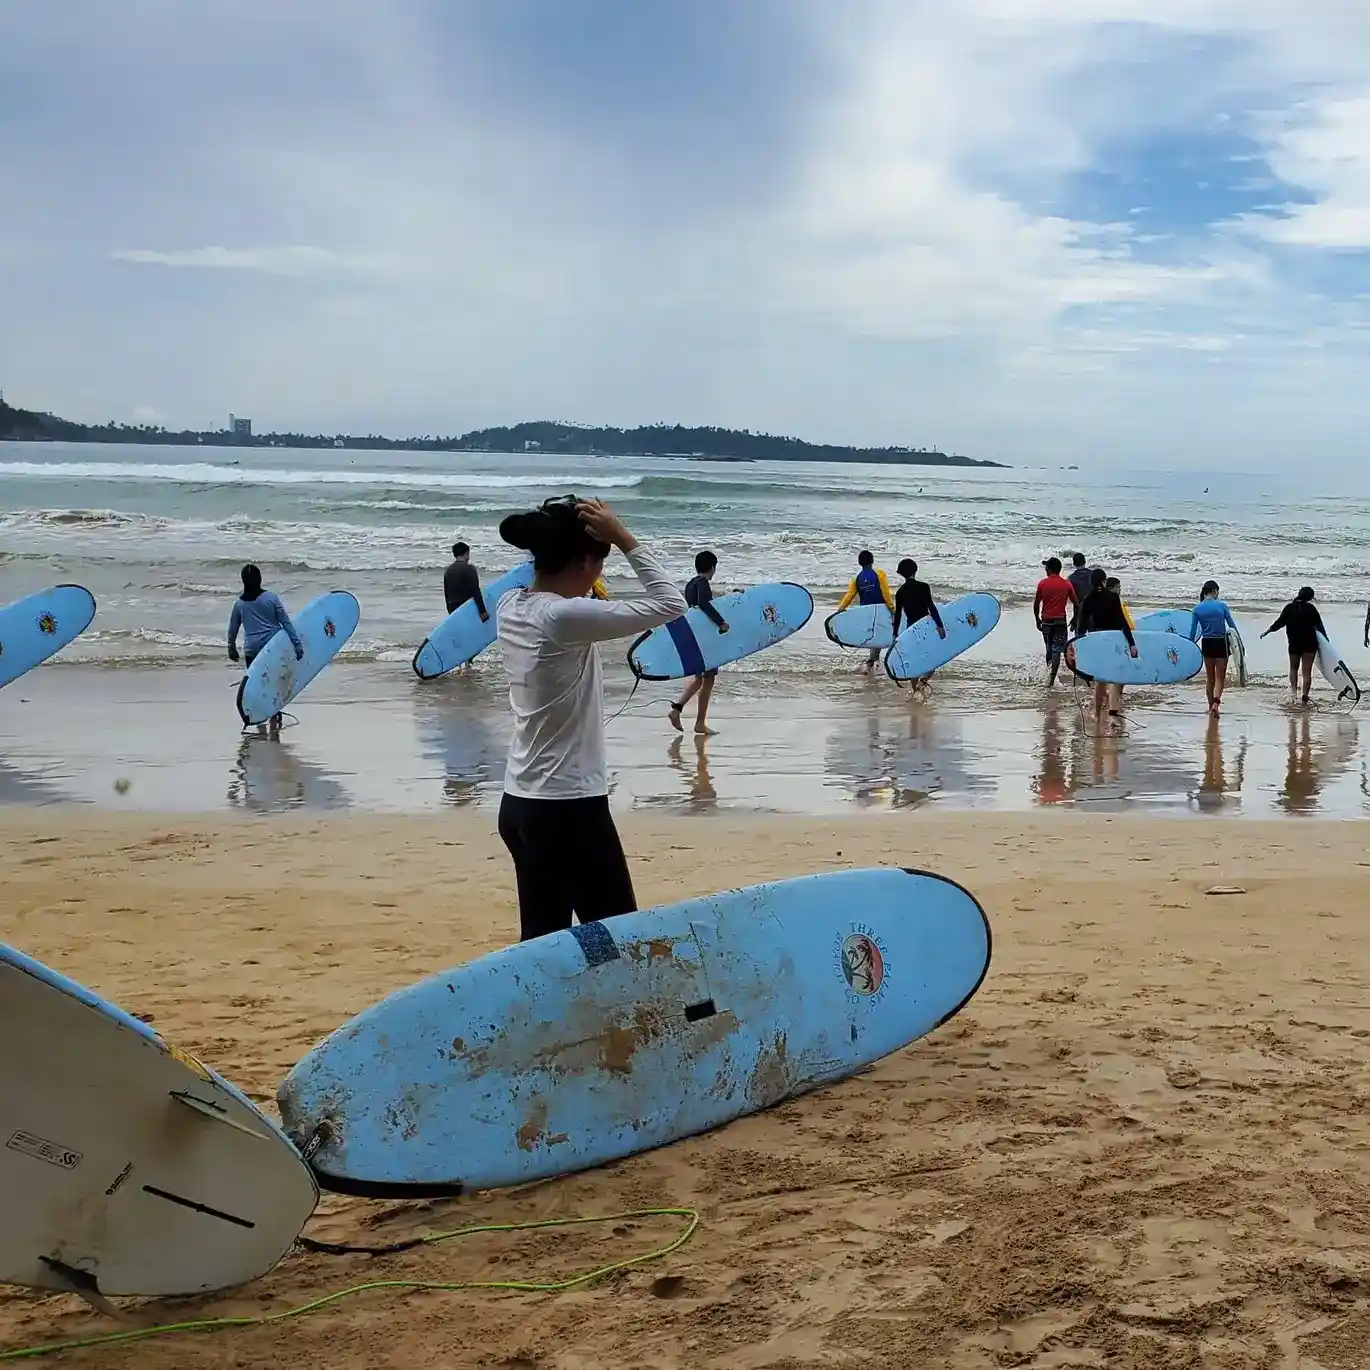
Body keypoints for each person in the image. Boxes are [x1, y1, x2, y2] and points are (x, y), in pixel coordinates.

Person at [495, 496, 686, 942]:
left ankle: (560, 1008)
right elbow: (670, 603)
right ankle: (602, 1007)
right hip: (568, 810)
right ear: (584, 561)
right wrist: (622, 536)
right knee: (616, 936)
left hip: (521, 803)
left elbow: (573, 600)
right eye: (600, 563)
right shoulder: (563, 617)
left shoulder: (511, 604)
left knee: (548, 941)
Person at [227, 564, 304, 733]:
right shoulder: (271, 598)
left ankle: (260, 720)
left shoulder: (239, 604)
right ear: (260, 579)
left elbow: (233, 628)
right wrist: (297, 644)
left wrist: (231, 646)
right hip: (272, 649)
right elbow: (285, 622)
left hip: (252, 651)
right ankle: (274, 719)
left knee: (258, 686)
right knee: (275, 685)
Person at [669, 551, 729, 735]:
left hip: (695, 637)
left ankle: (676, 709)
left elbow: (697, 608)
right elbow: (704, 604)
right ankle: (700, 723)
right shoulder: (703, 583)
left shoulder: (691, 584)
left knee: (698, 679)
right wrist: (721, 622)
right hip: (704, 640)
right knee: (708, 680)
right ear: (712, 567)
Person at [1076, 568, 1137, 728]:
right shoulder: (1113, 597)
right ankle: (1112, 716)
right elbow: (1123, 622)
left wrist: (1078, 647)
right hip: (1115, 641)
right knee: (1115, 679)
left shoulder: (1088, 600)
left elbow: (1081, 628)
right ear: (1104, 581)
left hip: (1098, 642)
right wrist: (1131, 643)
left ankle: (1096, 714)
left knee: (1101, 681)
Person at [1261, 586, 1327, 705]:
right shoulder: (1311, 609)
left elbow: (1279, 623)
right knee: (1307, 672)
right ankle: (1305, 697)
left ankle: (1294, 695)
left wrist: (1268, 631)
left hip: (1294, 643)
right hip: (1309, 644)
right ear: (1310, 597)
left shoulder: (1289, 608)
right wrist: (1327, 642)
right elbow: (1319, 626)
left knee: (1293, 669)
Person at [836, 549, 895, 673]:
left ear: (859, 563)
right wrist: (892, 609)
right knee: (879, 638)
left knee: (874, 638)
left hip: (866, 613)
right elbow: (885, 593)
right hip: (880, 611)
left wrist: (839, 610)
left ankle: (872, 664)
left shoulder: (856, 579)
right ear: (872, 561)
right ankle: (872, 664)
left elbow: (849, 596)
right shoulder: (880, 574)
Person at [892, 558, 946, 688]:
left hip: (912, 629)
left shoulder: (900, 592)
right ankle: (924, 680)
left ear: (901, 573)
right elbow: (931, 608)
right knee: (934, 658)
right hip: (926, 627)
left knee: (915, 658)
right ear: (915, 570)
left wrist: (895, 635)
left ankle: (915, 690)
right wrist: (940, 626)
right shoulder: (924, 587)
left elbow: (898, 615)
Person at [1190, 580, 1237, 717]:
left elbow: (1192, 633)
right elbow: (1232, 626)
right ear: (1215, 591)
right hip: (1221, 642)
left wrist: (1189, 647)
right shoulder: (1222, 606)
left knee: (1210, 678)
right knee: (1220, 678)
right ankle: (1216, 704)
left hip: (1207, 643)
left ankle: (1210, 707)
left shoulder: (1197, 609)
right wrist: (1239, 646)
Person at [1034, 557, 1078, 687]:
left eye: (1046, 567)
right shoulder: (1066, 584)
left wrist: (1037, 619)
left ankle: (1049, 675)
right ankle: (1052, 679)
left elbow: (1036, 604)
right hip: (1060, 621)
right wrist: (1075, 618)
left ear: (1050, 569)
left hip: (1046, 620)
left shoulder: (1042, 584)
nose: (1045, 569)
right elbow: (1077, 604)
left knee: (1049, 648)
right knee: (1057, 650)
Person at [443, 542, 488, 621]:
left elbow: (446, 594)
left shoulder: (448, 571)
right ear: (466, 553)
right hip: (467, 608)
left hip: (453, 609)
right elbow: (476, 591)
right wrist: (482, 611)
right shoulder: (470, 569)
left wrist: (450, 614)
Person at [1066, 553, 1094, 632]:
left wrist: (1074, 618)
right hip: (1094, 612)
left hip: (1079, 613)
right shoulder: (1093, 575)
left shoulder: (1070, 579)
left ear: (1074, 564)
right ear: (1085, 561)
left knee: (1080, 638)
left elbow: (1072, 598)